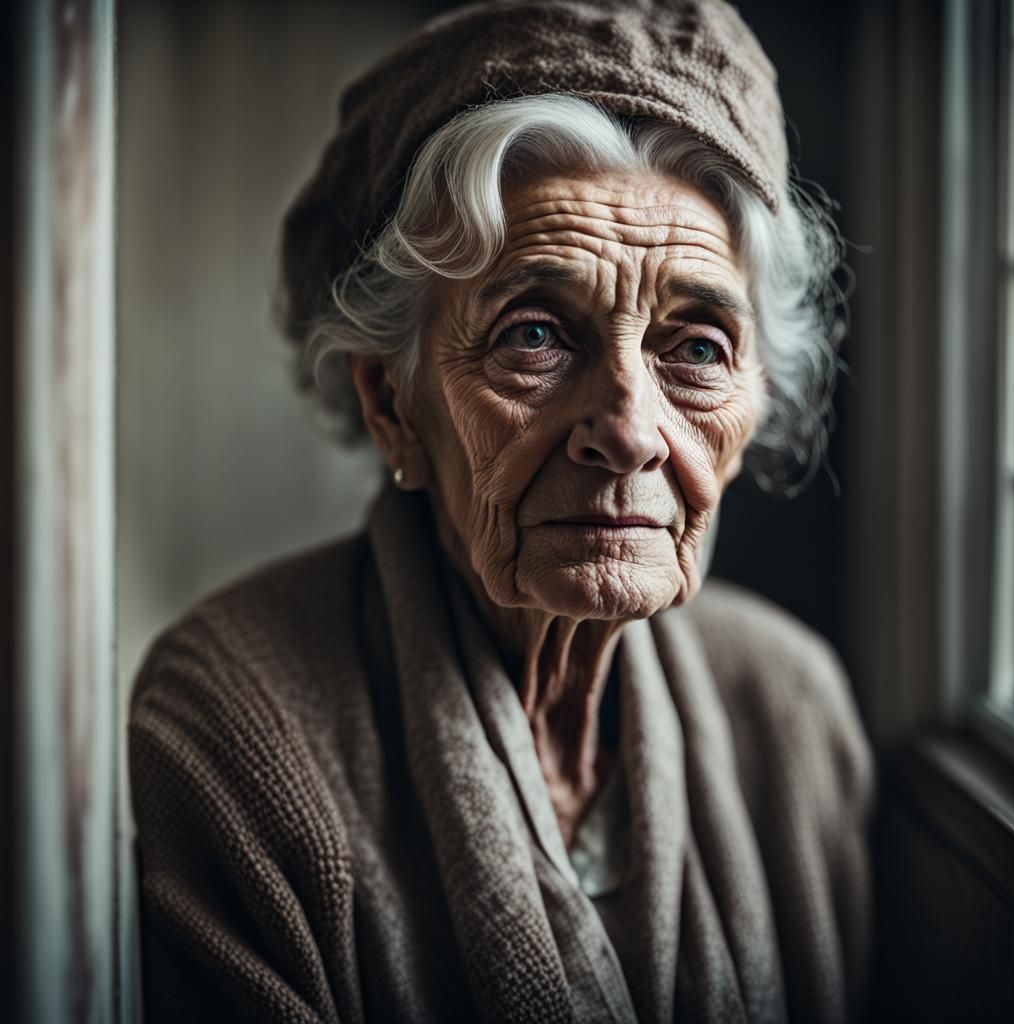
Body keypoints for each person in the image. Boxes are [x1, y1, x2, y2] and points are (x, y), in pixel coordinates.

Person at [128, 2, 874, 1022]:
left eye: (695, 348)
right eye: (534, 336)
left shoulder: (792, 716)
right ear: (391, 402)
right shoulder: (237, 723)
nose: (628, 428)